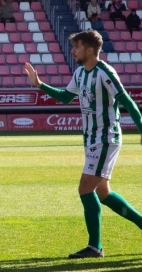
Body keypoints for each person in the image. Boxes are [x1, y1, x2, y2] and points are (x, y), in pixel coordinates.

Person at [24, 30, 142, 258]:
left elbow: (126, 100)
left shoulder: (105, 72)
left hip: (106, 138)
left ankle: (95, 246)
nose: (73, 50)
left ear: (89, 50)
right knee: (103, 192)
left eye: (76, 46)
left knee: (85, 188)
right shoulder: (80, 73)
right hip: (91, 140)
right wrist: (40, 84)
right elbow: (66, 97)